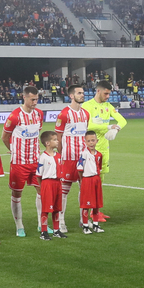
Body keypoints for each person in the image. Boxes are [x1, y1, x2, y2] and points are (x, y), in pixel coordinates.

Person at [81, 80, 126, 222]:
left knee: (100, 183)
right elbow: (88, 125)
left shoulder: (108, 106)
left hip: (104, 150)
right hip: (90, 150)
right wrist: (108, 127)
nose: (107, 96)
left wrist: (117, 129)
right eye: (106, 94)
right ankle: (89, 212)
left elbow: (122, 120)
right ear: (98, 91)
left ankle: (96, 211)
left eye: (109, 94)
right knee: (91, 183)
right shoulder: (87, 106)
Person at [3, 85, 44, 238]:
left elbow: (37, 133)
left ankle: (42, 223)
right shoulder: (15, 116)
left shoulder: (39, 114)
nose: (35, 102)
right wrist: (13, 149)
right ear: (24, 97)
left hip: (36, 160)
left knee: (41, 191)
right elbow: (4, 137)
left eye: (37, 99)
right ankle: (19, 225)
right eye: (32, 99)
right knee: (17, 193)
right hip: (19, 162)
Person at [53, 85, 89, 233]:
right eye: (79, 93)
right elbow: (58, 136)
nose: (82, 95)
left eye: (83, 93)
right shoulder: (64, 114)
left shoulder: (86, 114)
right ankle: (61, 221)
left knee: (84, 188)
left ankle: (83, 219)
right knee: (64, 190)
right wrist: (62, 153)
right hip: (68, 158)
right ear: (71, 96)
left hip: (83, 158)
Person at [36, 131, 64, 239]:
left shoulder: (58, 156)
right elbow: (39, 175)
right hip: (47, 184)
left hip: (58, 183)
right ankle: (44, 231)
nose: (57, 141)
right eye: (55, 140)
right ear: (47, 143)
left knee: (57, 208)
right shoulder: (43, 157)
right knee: (46, 208)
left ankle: (56, 230)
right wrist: (43, 186)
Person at [77, 131, 105, 233]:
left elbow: (99, 167)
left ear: (97, 141)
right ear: (85, 142)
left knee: (96, 204)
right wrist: (82, 180)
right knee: (86, 205)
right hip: (87, 180)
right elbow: (80, 169)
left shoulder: (99, 155)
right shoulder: (84, 154)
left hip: (96, 180)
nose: (91, 143)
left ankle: (96, 225)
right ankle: (85, 226)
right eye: (88, 141)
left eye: (93, 140)